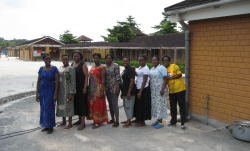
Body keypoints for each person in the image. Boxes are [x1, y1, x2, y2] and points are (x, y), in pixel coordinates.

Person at [36, 53, 59, 134]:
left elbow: (57, 82)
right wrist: (37, 93)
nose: (48, 60)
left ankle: (51, 126)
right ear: (43, 60)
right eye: (46, 59)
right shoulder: (41, 69)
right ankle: (45, 125)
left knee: (50, 109)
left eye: (49, 59)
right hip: (42, 92)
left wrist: (55, 94)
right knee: (43, 109)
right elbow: (38, 81)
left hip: (50, 92)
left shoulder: (54, 69)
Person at [162, 55, 186, 129]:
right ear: (163, 62)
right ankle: (173, 121)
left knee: (181, 106)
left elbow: (179, 74)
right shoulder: (163, 70)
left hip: (180, 89)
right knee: (173, 106)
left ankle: (182, 122)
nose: (166, 62)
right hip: (172, 91)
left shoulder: (174, 66)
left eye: (167, 60)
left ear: (169, 61)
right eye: (164, 60)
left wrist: (171, 78)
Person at [87, 53, 108, 129]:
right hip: (92, 89)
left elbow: (103, 80)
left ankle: (98, 122)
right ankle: (94, 120)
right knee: (93, 105)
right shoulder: (92, 66)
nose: (96, 60)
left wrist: (102, 90)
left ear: (100, 59)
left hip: (99, 89)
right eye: (94, 58)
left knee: (98, 105)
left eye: (97, 58)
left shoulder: (102, 68)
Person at [56, 54, 76, 130]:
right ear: (61, 60)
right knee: (61, 105)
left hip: (68, 91)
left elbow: (73, 82)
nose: (65, 61)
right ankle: (63, 121)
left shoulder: (71, 69)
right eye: (64, 59)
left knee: (69, 106)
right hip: (60, 91)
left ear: (69, 60)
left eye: (66, 60)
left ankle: (70, 123)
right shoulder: (60, 68)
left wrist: (71, 93)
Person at [149, 55, 168, 129]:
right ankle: (157, 119)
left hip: (160, 90)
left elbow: (165, 78)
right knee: (155, 105)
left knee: (160, 105)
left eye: (155, 60)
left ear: (158, 61)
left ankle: (161, 122)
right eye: (153, 60)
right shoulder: (152, 69)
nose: (154, 61)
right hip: (154, 91)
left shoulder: (161, 68)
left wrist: (163, 89)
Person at [71, 50, 89, 130]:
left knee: (82, 104)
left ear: (80, 57)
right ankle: (79, 120)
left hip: (81, 87)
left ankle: (83, 122)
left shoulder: (83, 64)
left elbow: (86, 76)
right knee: (76, 104)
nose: (76, 57)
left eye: (77, 56)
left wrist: (85, 87)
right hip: (74, 88)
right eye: (74, 56)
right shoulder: (72, 64)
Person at [133, 54, 151, 126]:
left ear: (145, 60)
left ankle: (142, 121)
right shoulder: (140, 67)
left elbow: (144, 80)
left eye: (142, 60)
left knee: (142, 105)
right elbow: (138, 75)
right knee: (138, 104)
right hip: (138, 88)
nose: (141, 62)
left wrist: (140, 91)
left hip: (143, 89)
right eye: (139, 60)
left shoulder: (146, 68)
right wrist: (134, 71)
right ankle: (138, 118)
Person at [120, 57, 137, 128]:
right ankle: (128, 118)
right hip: (124, 91)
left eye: (126, 61)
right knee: (125, 105)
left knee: (128, 106)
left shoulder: (130, 69)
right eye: (124, 61)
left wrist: (129, 92)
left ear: (129, 62)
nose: (125, 62)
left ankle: (129, 120)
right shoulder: (126, 69)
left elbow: (132, 81)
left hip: (130, 91)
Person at [105, 54, 120, 128]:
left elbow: (118, 77)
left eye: (110, 58)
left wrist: (118, 88)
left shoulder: (115, 66)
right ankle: (112, 119)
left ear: (112, 59)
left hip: (114, 87)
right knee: (110, 104)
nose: (108, 59)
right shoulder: (104, 67)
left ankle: (117, 120)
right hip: (107, 87)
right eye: (107, 58)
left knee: (115, 104)